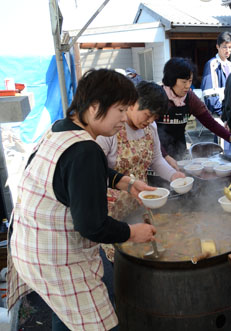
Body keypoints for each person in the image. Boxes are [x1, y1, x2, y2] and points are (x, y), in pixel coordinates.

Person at [6, 69, 157, 331]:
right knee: (100, 324)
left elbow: (71, 174)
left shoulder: (60, 128)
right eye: (120, 110)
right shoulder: (85, 149)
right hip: (55, 258)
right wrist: (134, 232)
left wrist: (127, 182)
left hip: (27, 245)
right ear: (95, 106)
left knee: (66, 315)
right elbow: (92, 226)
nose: (123, 119)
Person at [97, 81, 184, 240]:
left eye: (155, 117)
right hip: (112, 208)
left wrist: (173, 175)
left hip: (139, 203)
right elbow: (96, 171)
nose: (150, 120)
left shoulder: (151, 128)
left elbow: (156, 159)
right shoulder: (110, 131)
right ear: (132, 104)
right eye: (148, 114)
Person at [156, 57, 231, 160]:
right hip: (156, 153)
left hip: (179, 152)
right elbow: (149, 132)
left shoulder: (190, 98)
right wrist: (166, 157)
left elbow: (210, 123)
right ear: (172, 80)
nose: (187, 86)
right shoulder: (158, 97)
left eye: (190, 81)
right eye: (183, 82)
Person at [201, 31, 231, 116]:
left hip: (228, 113)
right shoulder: (212, 64)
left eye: (229, 47)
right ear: (217, 46)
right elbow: (208, 93)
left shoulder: (229, 65)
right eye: (224, 47)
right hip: (218, 114)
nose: (227, 50)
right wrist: (220, 113)